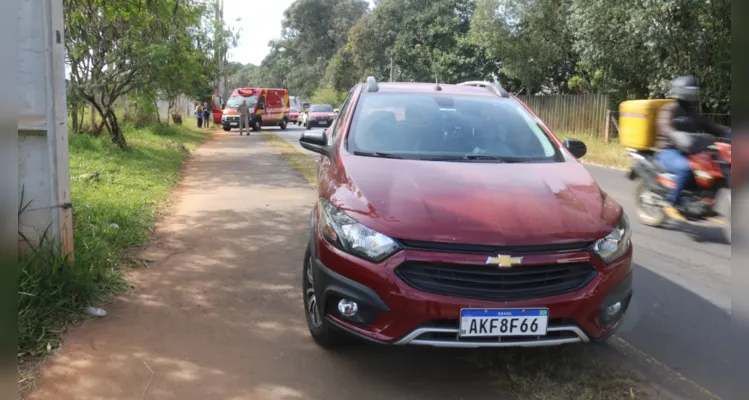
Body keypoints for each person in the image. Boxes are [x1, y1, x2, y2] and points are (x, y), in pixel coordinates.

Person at [654, 76, 730, 221]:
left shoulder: (692, 112)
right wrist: (675, 135)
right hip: (669, 150)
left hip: (690, 149)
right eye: (691, 92)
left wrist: (728, 132)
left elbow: (710, 126)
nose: (694, 95)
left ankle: (702, 202)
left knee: (713, 168)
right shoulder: (670, 109)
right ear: (681, 92)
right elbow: (665, 127)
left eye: (695, 92)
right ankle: (671, 203)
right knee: (685, 168)